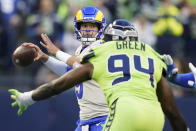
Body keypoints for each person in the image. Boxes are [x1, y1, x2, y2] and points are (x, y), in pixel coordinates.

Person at [9, 19, 188, 131]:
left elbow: (60, 82)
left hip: (123, 113)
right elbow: (172, 111)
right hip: (155, 118)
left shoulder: (102, 52)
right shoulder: (150, 53)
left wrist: (27, 98)